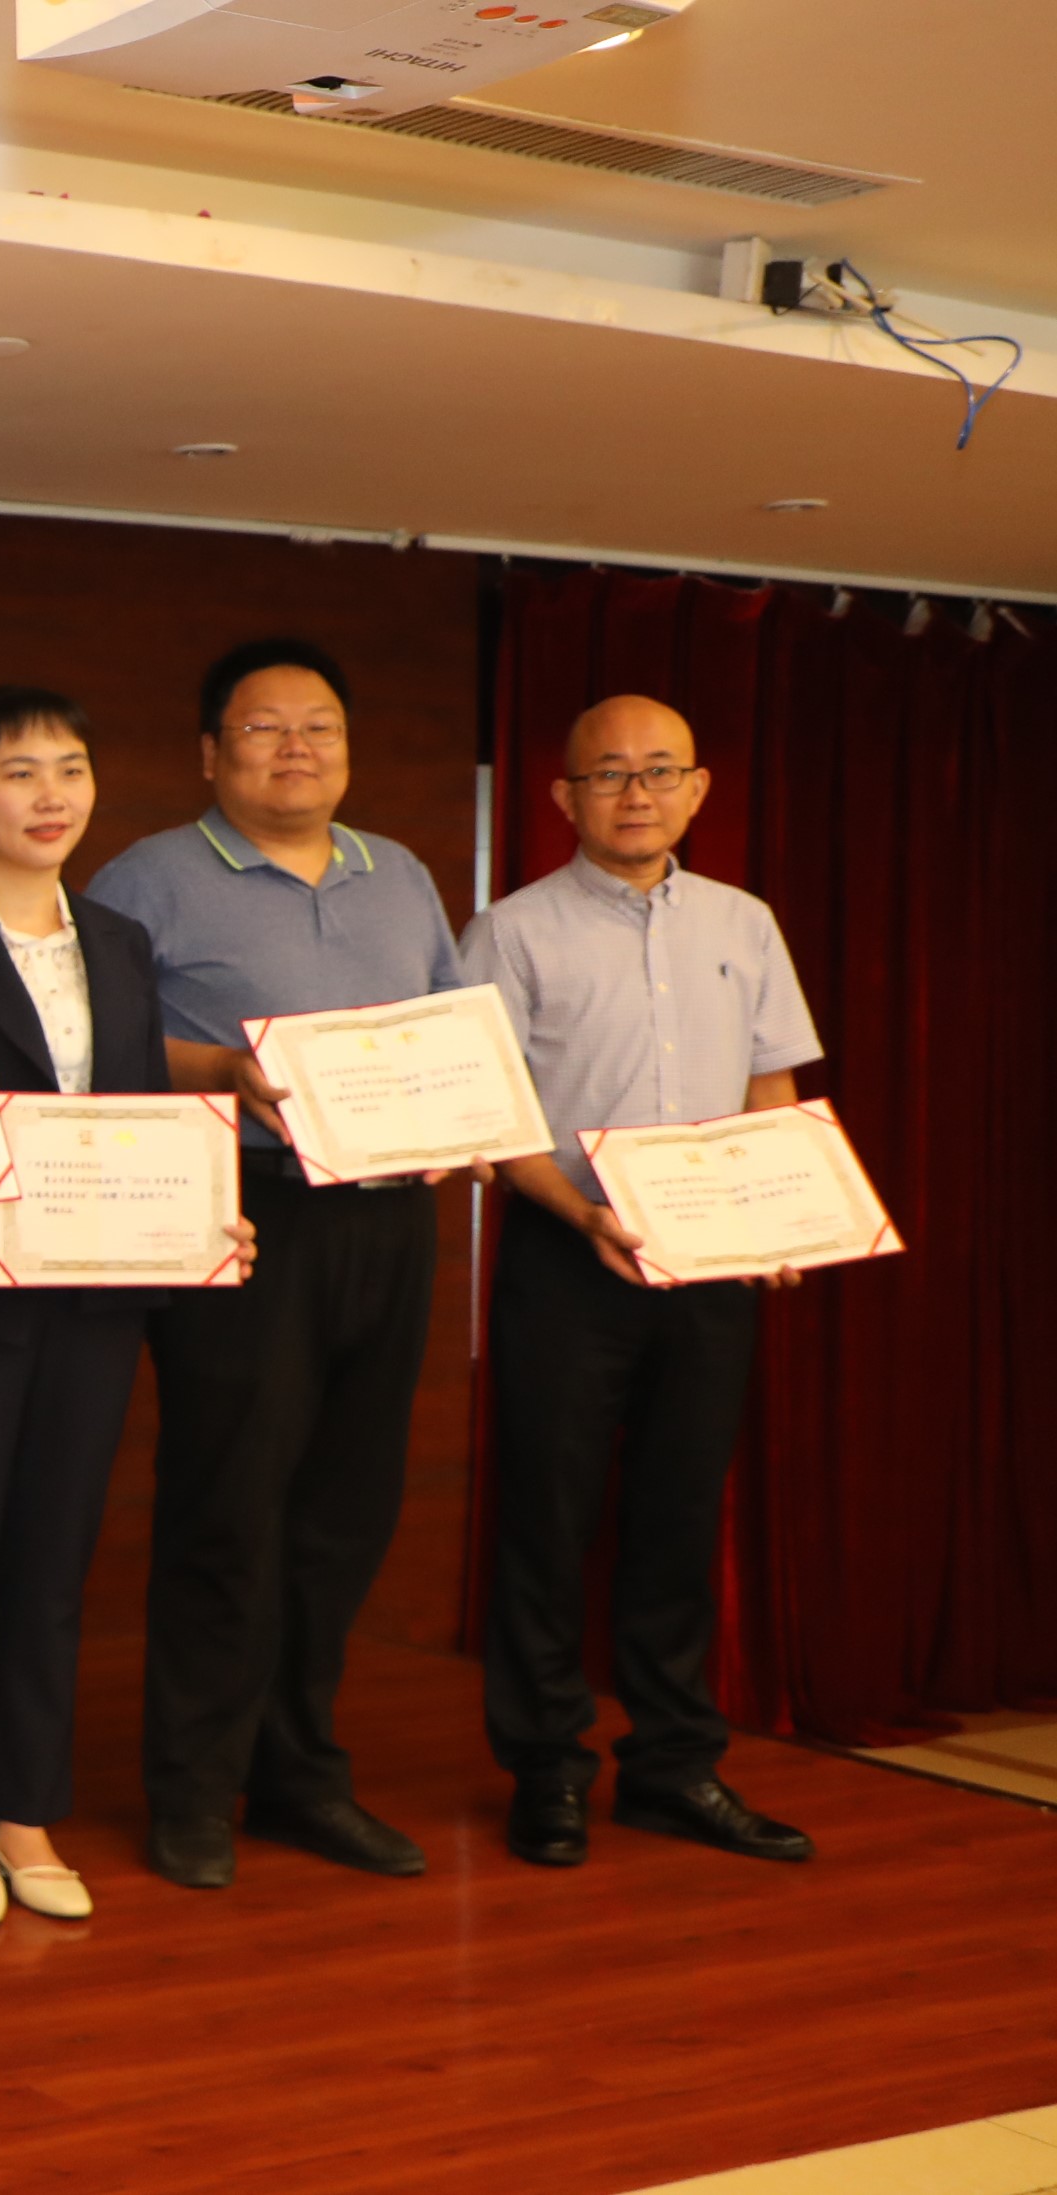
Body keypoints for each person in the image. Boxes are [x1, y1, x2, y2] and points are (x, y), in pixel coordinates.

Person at [85, 637, 478, 1890]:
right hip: (245, 1208)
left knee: (344, 1512)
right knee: (231, 1505)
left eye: (319, 726)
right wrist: (222, 1068)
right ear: (211, 753)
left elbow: (449, 1028)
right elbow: (88, 1036)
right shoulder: (149, 877)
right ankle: (193, 1787)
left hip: (389, 1216)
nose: (295, 747)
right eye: (264, 727)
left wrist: (462, 1113)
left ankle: (301, 1773)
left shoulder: (398, 872)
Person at [0, 687, 253, 1925]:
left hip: (97, 1296)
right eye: (19, 770)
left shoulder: (119, 939)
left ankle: (25, 1805)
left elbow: (140, 1110)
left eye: (71, 768)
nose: (51, 795)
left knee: (52, 1559)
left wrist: (203, 1214)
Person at [462, 695, 822, 1870]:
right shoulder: (510, 931)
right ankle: (547, 1770)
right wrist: (581, 1211)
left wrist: (776, 1208)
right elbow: (490, 1112)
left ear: (698, 789)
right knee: (547, 1520)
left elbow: (772, 1083)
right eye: (609, 773)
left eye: (661, 770)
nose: (637, 792)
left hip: (708, 1264)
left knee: (678, 1516)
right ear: (562, 797)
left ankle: (673, 1766)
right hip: (567, 1254)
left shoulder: (744, 922)